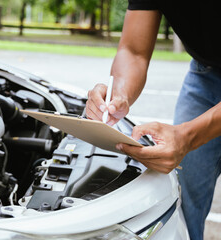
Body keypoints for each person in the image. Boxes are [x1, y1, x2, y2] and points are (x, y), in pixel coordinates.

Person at [85, 1, 221, 239]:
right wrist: (119, 96)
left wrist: (188, 136)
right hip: (206, 72)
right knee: (182, 193)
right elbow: (133, 51)